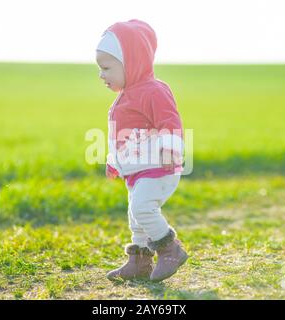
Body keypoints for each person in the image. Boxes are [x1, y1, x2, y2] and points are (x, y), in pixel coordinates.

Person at [95, 19, 188, 282]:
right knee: (136, 218)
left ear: (131, 63)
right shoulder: (124, 97)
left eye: (106, 68)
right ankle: (140, 262)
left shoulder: (153, 90)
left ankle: (170, 249)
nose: (101, 74)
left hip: (159, 166)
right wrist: (115, 161)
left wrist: (171, 148)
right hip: (137, 172)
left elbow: (170, 120)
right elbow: (123, 138)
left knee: (142, 208)